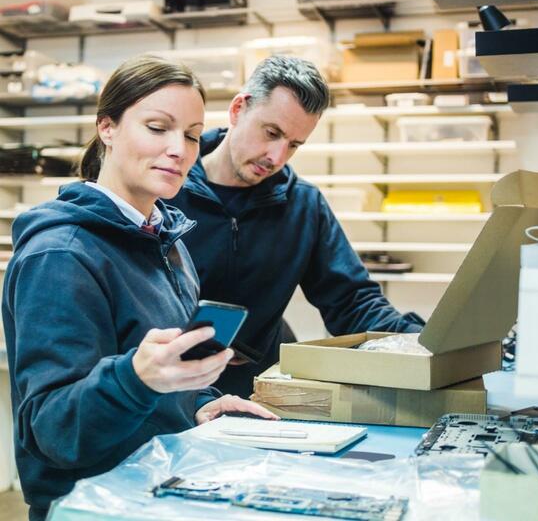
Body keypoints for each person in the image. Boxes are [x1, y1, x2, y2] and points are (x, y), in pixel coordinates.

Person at [1, 55, 276, 521]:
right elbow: (53, 430)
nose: (179, 149)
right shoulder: (62, 254)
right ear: (107, 128)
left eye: (191, 134)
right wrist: (136, 378)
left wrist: (201, 404)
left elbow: (157, 385)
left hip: (157, 488)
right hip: (89, 506)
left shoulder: (164, 240)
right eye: (157, 127)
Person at [168, 55, 425, 398]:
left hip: (258, 393)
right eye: (271, 133)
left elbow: (352, 302)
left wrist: (424, 341)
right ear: (237, 110)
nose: (276, 157)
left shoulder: (303, 205)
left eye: (293, 145)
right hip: (166, 389)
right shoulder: (166, 190)